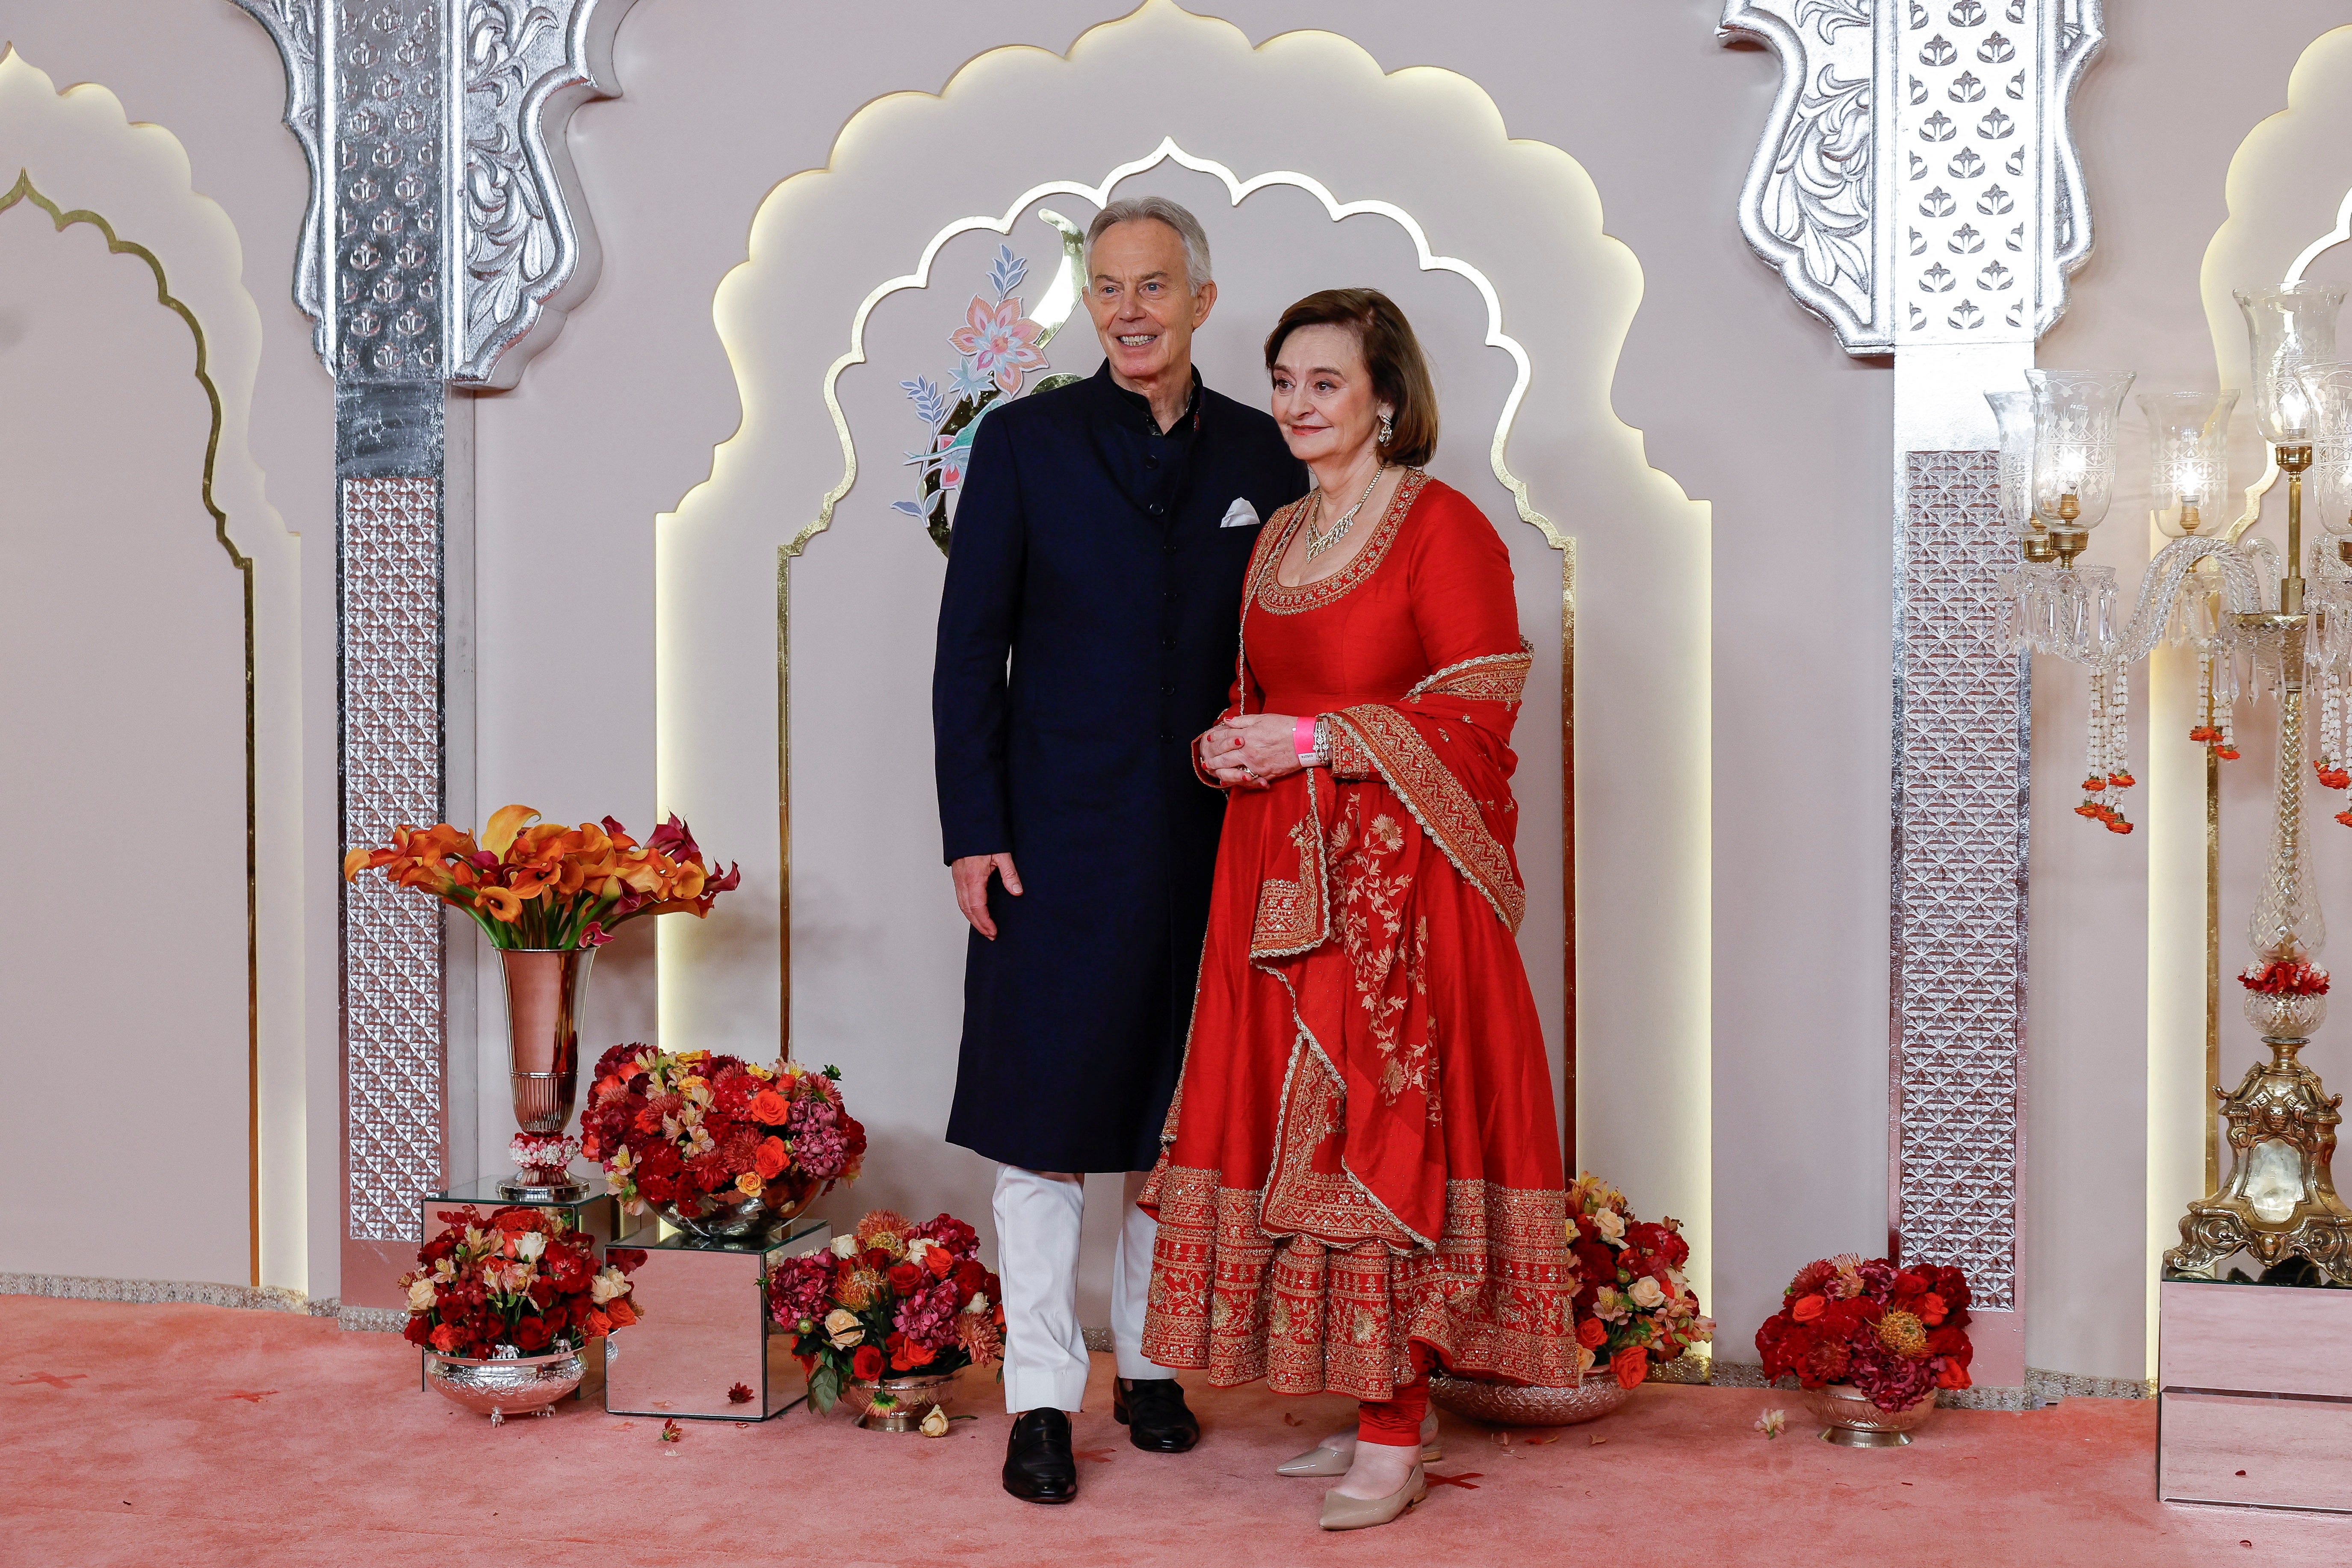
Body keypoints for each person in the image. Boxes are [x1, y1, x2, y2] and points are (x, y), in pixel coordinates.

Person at [1140, 289, 1581, 1531]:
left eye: (1324, 382)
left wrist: (1319, 738)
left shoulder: (1443, 527)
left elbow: (1479, 715)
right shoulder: (1277, 536)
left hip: (1401, 896)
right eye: (1283, 381)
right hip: (1278, 879)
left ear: (1385, 394)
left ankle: (1393, 1432)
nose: (1295, 404)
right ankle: (1378, 1395)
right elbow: (1257, 693)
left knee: (1380, 1131)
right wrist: (1227, 748)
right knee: (1301, 1141)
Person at [932, 196, 1307, 1504]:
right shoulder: (1023, 443)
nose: (1129, 311)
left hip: (1216, 839)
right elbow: (970, 650)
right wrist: (972, 832)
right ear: (1088, 305)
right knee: (1042, 1129)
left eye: (1153, 287)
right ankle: (1040, 1398)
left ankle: (1153, 1364)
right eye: (1106, 290)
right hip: (1051, 841)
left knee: (1173, 1124)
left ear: (1203, 299)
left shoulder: (1269, 451)